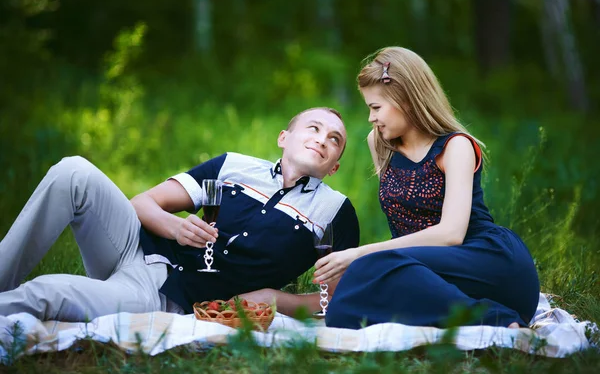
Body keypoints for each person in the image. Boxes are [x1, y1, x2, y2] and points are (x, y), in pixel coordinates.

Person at [0, 107, 360, 323]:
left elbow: (332, 300)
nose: (322, 139)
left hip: (160, 295)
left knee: (46, 291)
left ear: (334, 167)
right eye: (313, 128)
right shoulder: (233, 166)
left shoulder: (334, 212)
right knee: (73, 171)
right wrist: (176, 227)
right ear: (284, 137)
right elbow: (141, 204)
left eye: (334, 139)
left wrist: (278, 300)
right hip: (130, 248)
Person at [313, 47, 540, 330]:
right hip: (427, 274)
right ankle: (477, 315)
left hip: (484, 262)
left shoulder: (455, 146)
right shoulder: (379, 142)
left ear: (406, 100)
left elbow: (451, 234)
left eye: (376, 108)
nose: (371, 117)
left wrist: (361, 253)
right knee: (343, 311)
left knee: (366, 266)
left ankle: (496, 319)